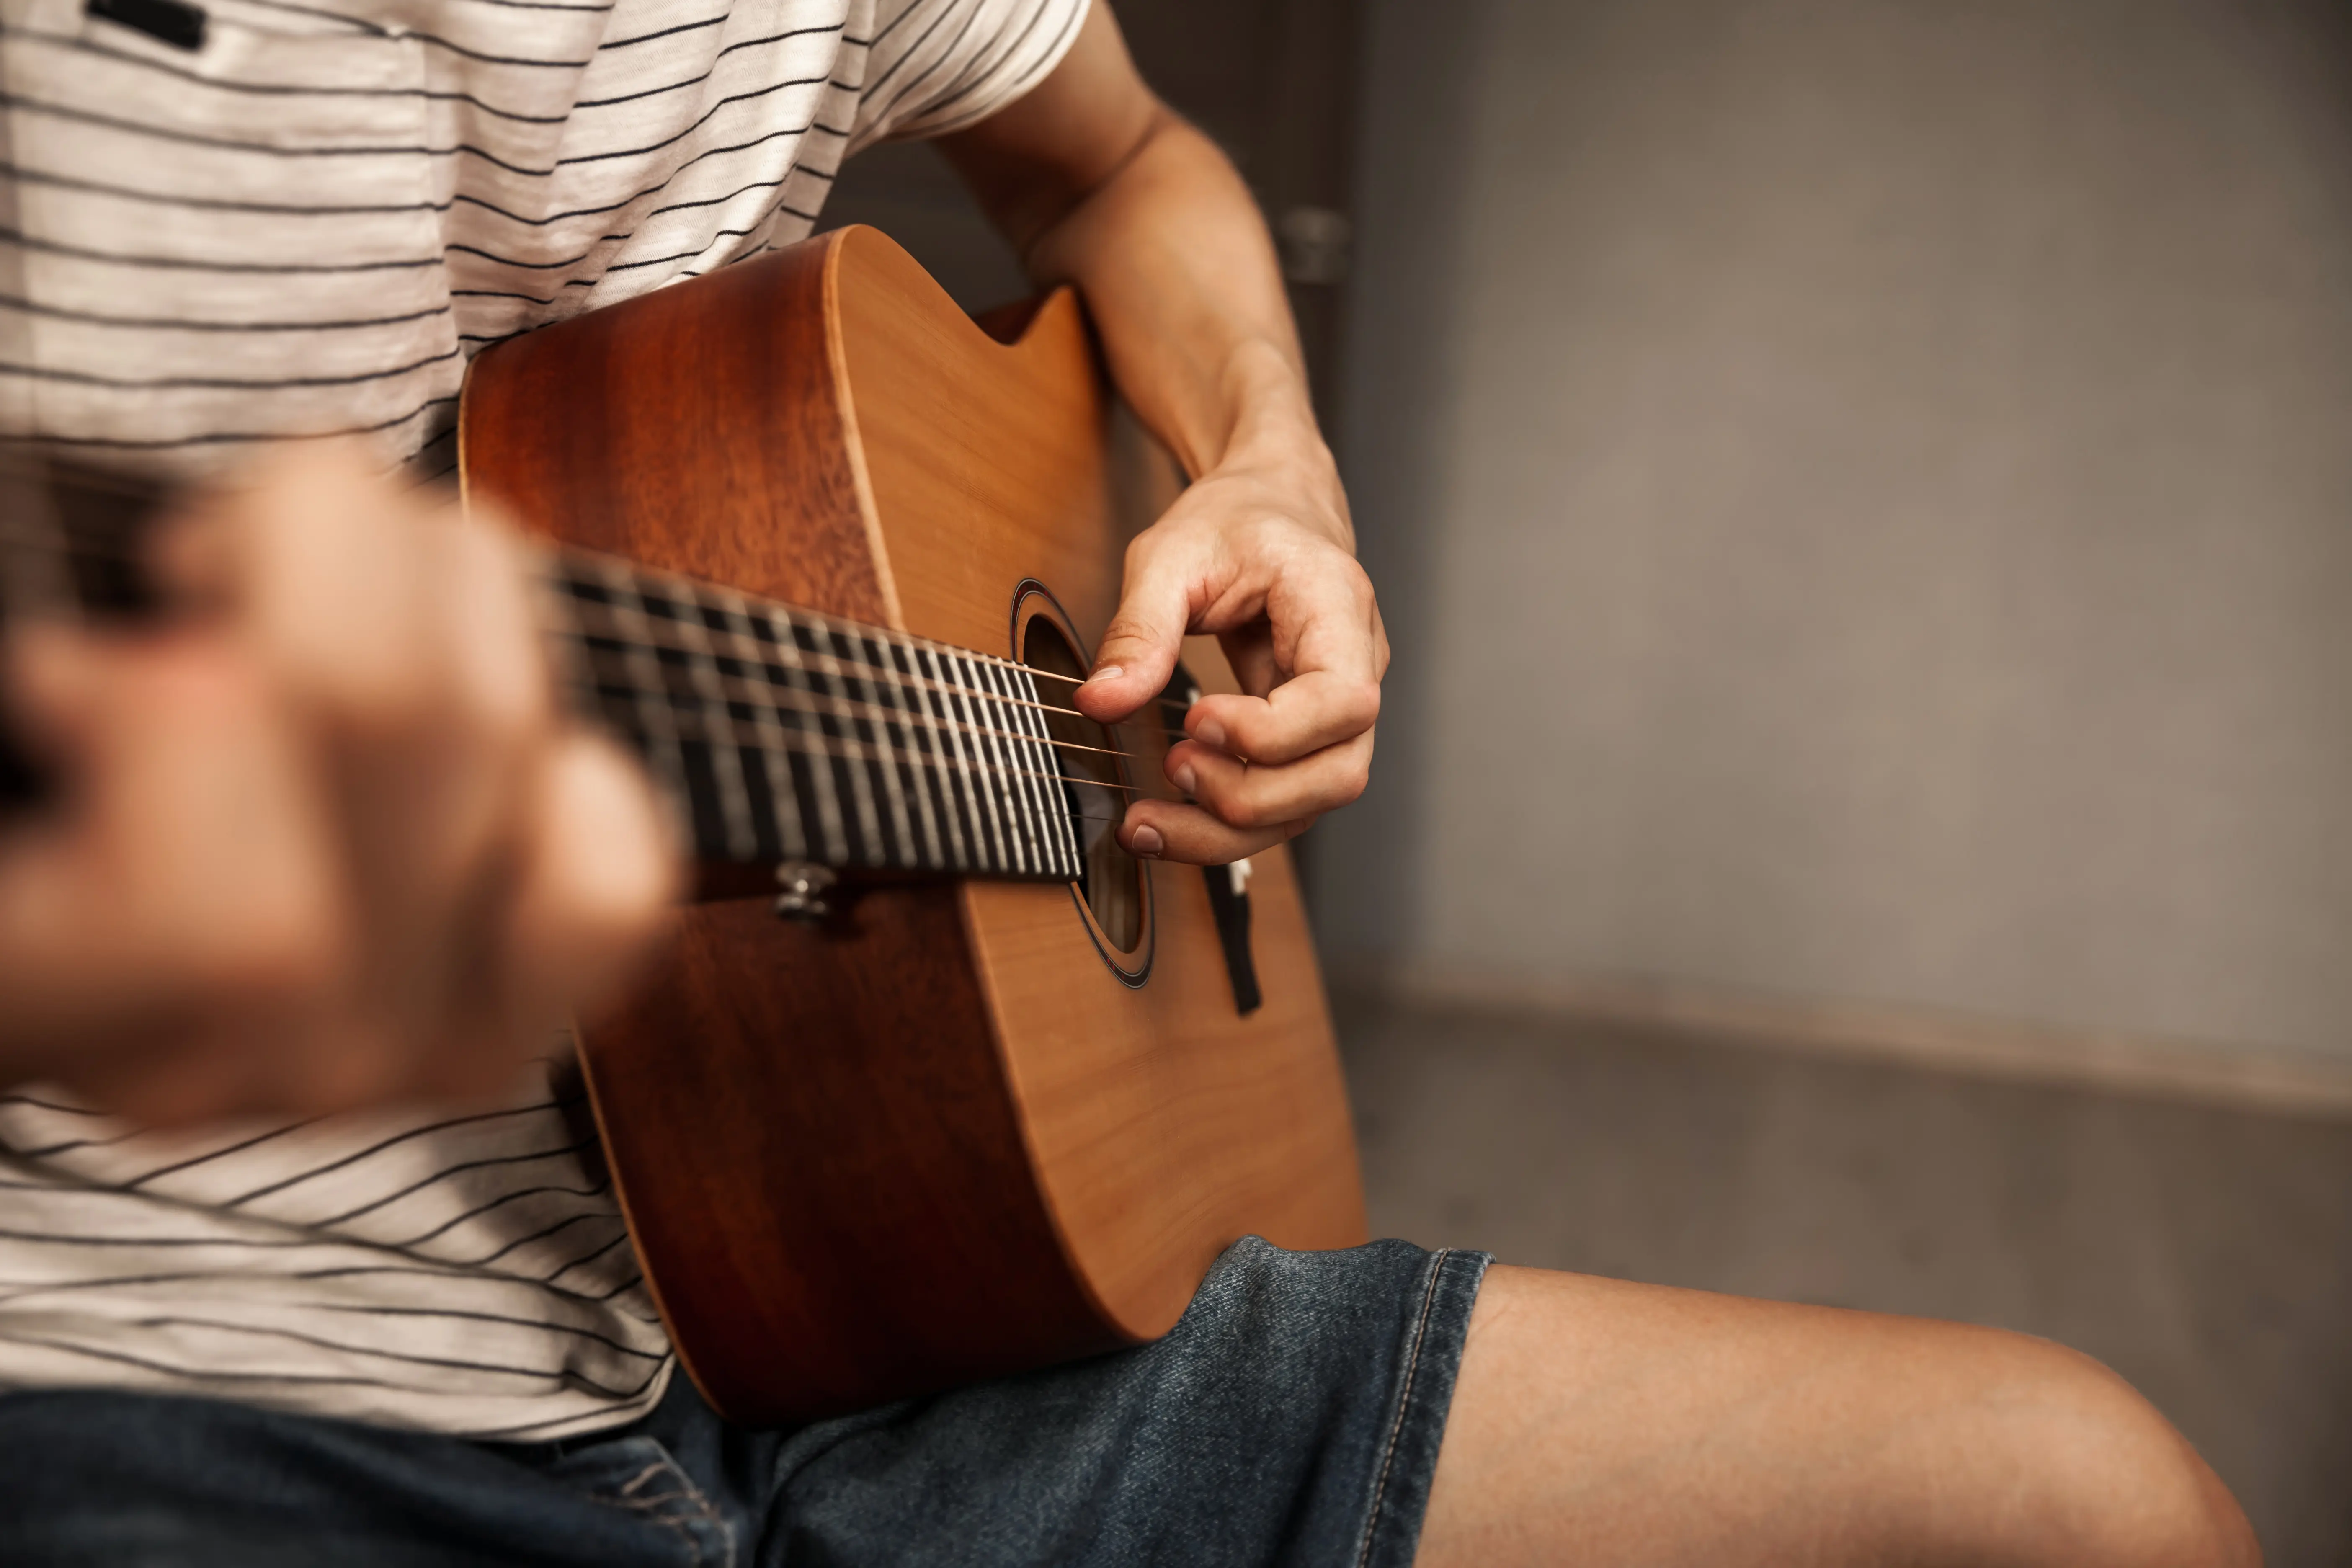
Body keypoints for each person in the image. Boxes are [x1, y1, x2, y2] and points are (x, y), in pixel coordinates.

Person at [0, 0, 2262, 1562]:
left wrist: (1274, 467)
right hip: (165, 1372)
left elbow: (1129, 165)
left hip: (872, 1311)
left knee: (2087, 1501)